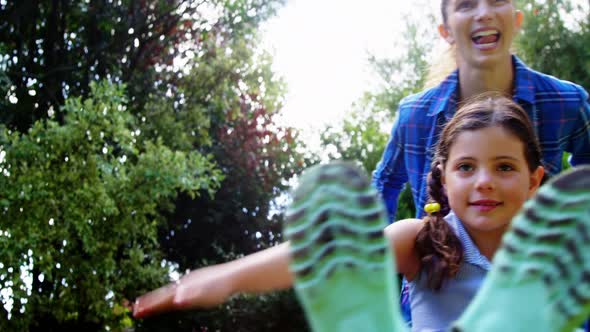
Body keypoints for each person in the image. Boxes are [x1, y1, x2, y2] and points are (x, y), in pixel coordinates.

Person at [131, 94, 590, 331]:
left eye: (504, 167)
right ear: (444, 179)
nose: (484, 181)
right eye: (466, 167)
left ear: (534, 180)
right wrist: (226, 277)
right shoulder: (423, 241)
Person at [371, 0, 590, 325]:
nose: (483, 12)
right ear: (445, 31)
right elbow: (384, 185)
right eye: (466, 4)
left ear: (516, 20)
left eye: (496, 1)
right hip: (437, 291)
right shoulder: (415, 115)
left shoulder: (566, 102)